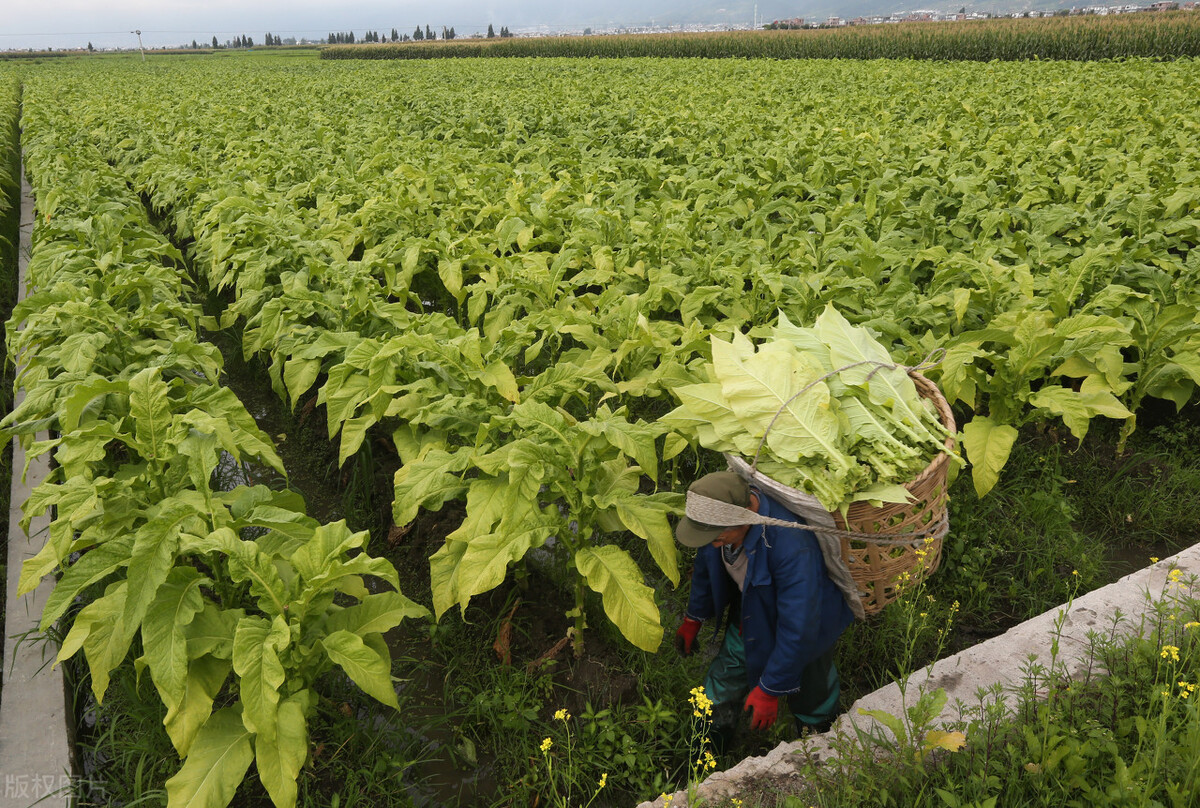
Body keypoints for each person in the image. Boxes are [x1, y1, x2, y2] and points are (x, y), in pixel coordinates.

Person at [674, 471, 855, 749]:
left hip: (810, 625)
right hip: (753, 612)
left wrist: (770, 690)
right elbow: (705, 568)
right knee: (721, 683)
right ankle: (706, 750)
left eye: (717, 537)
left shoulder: (791, 546)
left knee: (812, 691)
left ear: (745, 515)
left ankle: (819, 746)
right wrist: (693, 617)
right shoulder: (717, 530)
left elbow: (800, 625)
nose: (712, 543)